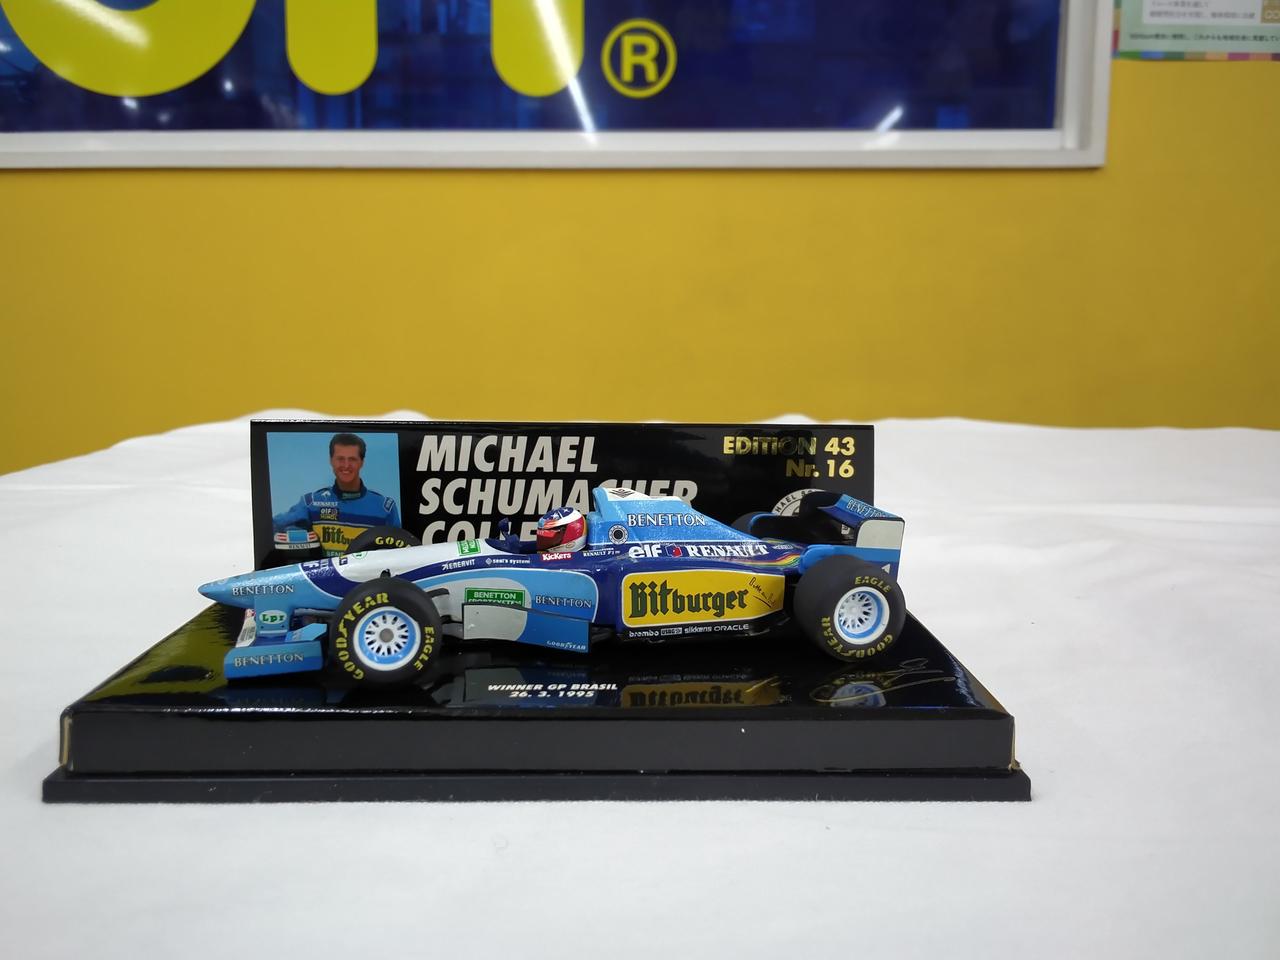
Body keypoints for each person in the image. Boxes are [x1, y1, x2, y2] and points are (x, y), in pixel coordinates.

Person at [272, 433, 400, 556]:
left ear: (362, 462)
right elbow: (273, 525)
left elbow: (400, 553)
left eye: (352, 459)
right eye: (340, 459)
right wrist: (297, 534)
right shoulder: (311, 503)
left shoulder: (385, 508)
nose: (346, 465)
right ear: (331, 461)